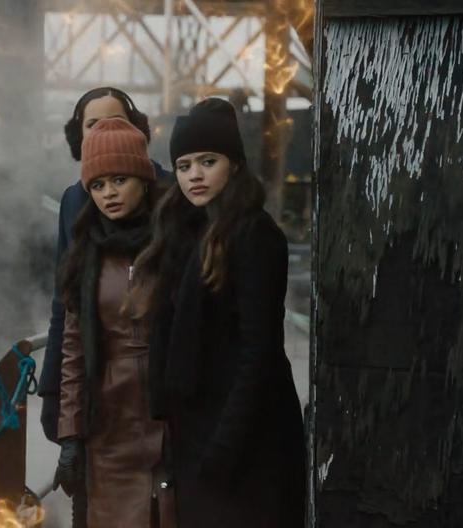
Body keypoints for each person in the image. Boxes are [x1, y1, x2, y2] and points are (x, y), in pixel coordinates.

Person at [134, 98, 306, 526]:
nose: (194, 175)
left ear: (234, 164)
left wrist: (223, 448)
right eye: (185, 165)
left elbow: (259, 352)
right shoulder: (187, 235)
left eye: (208, 161)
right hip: (200, 434)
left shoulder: (254, 235)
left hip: (248, 440)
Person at [52, 118, 175, 527]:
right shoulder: (84, 254)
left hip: (173, 412)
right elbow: (74, 352)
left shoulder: (177, 241)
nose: (109, 194)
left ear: (143, 178)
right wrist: (70, 436)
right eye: (98, 185)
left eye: (119, 180)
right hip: (108, 419)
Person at [38, 87, 170, 443]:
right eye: (93, 125)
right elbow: (63, 302)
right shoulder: (73, 200)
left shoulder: (171, 191)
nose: (104, 132)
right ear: (79, 137)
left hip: (163, 383)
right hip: (99, 381)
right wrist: (51, 390)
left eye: (116, 122)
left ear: (137, 130)